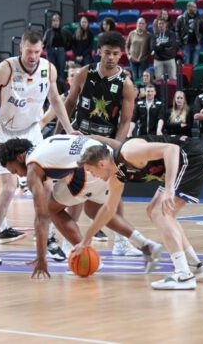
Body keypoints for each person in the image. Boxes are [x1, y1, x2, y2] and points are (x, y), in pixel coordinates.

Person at [0, 30, 77, 266]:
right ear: (21, 48)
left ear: (42, 50)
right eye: (29, 51)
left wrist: (69, 129)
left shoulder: (48, 68)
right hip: (3, 131)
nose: (32, 56)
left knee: (46, 186)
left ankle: (49, 238)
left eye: (37, 51)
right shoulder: (6, 69)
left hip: (31, 131)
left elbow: (55, 99)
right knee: (8, 189)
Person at [0, 135, 164, 277]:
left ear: (19, 157)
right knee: (94, 210)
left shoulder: (33, 167)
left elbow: (42, 217)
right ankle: (145, 244)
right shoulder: (48, 142)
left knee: (51, 208)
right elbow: (90, 140)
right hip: (110, 162)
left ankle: (87, 255)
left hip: (90, 169)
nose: (19, 175)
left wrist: (41, 258)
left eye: (15, 171)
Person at [74, 135, 203, 290]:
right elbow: (108, 210)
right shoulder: (117, 176)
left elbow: (171, 149)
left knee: (160, 213)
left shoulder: (128, 153)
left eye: (90, 171)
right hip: (185, 161)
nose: (92, 176)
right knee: (154, 210)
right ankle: (195, 266)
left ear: (101, 164)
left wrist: (169, 188)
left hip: (193, 155)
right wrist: (85, 240)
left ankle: (183, 275)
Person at [59, 30, 139, 254]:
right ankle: (69, 241)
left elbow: (125, 122)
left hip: (106, 141)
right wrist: (59, 133)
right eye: (107, 53)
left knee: (115, 190)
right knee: (76, 189)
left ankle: (121, 243)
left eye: (115, 53)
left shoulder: (126, 83)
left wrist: (117, 149)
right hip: (80, 136)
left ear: (121, 55)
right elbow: (69, 104)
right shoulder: (85, 73)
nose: (111, 57)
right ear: (99, 52)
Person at [43, 13, 72, 93]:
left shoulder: (64, 31)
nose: (56, 22)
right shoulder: (48, 32)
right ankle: (51, 92)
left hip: (60, 51)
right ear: (52, 22)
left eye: (57, 20)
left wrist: (65, 48)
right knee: (51, 72)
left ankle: (61, 93)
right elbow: (43, 43)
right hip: (51, 51)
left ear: (60, 21)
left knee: (61, 73)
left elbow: (70, 41)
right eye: (54, 20)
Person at [175, 2, 203, 66]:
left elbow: (202, 31)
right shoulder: (180, 18)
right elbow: (177, 31)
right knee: (186, 63)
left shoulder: (199, 18)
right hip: (185, 43)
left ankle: (194, 76)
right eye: (194, 7)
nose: (195, 9)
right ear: (188, 8)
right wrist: (179, 42)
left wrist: (200, 39)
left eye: (196, 7)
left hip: (196, 43)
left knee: (195, 63)